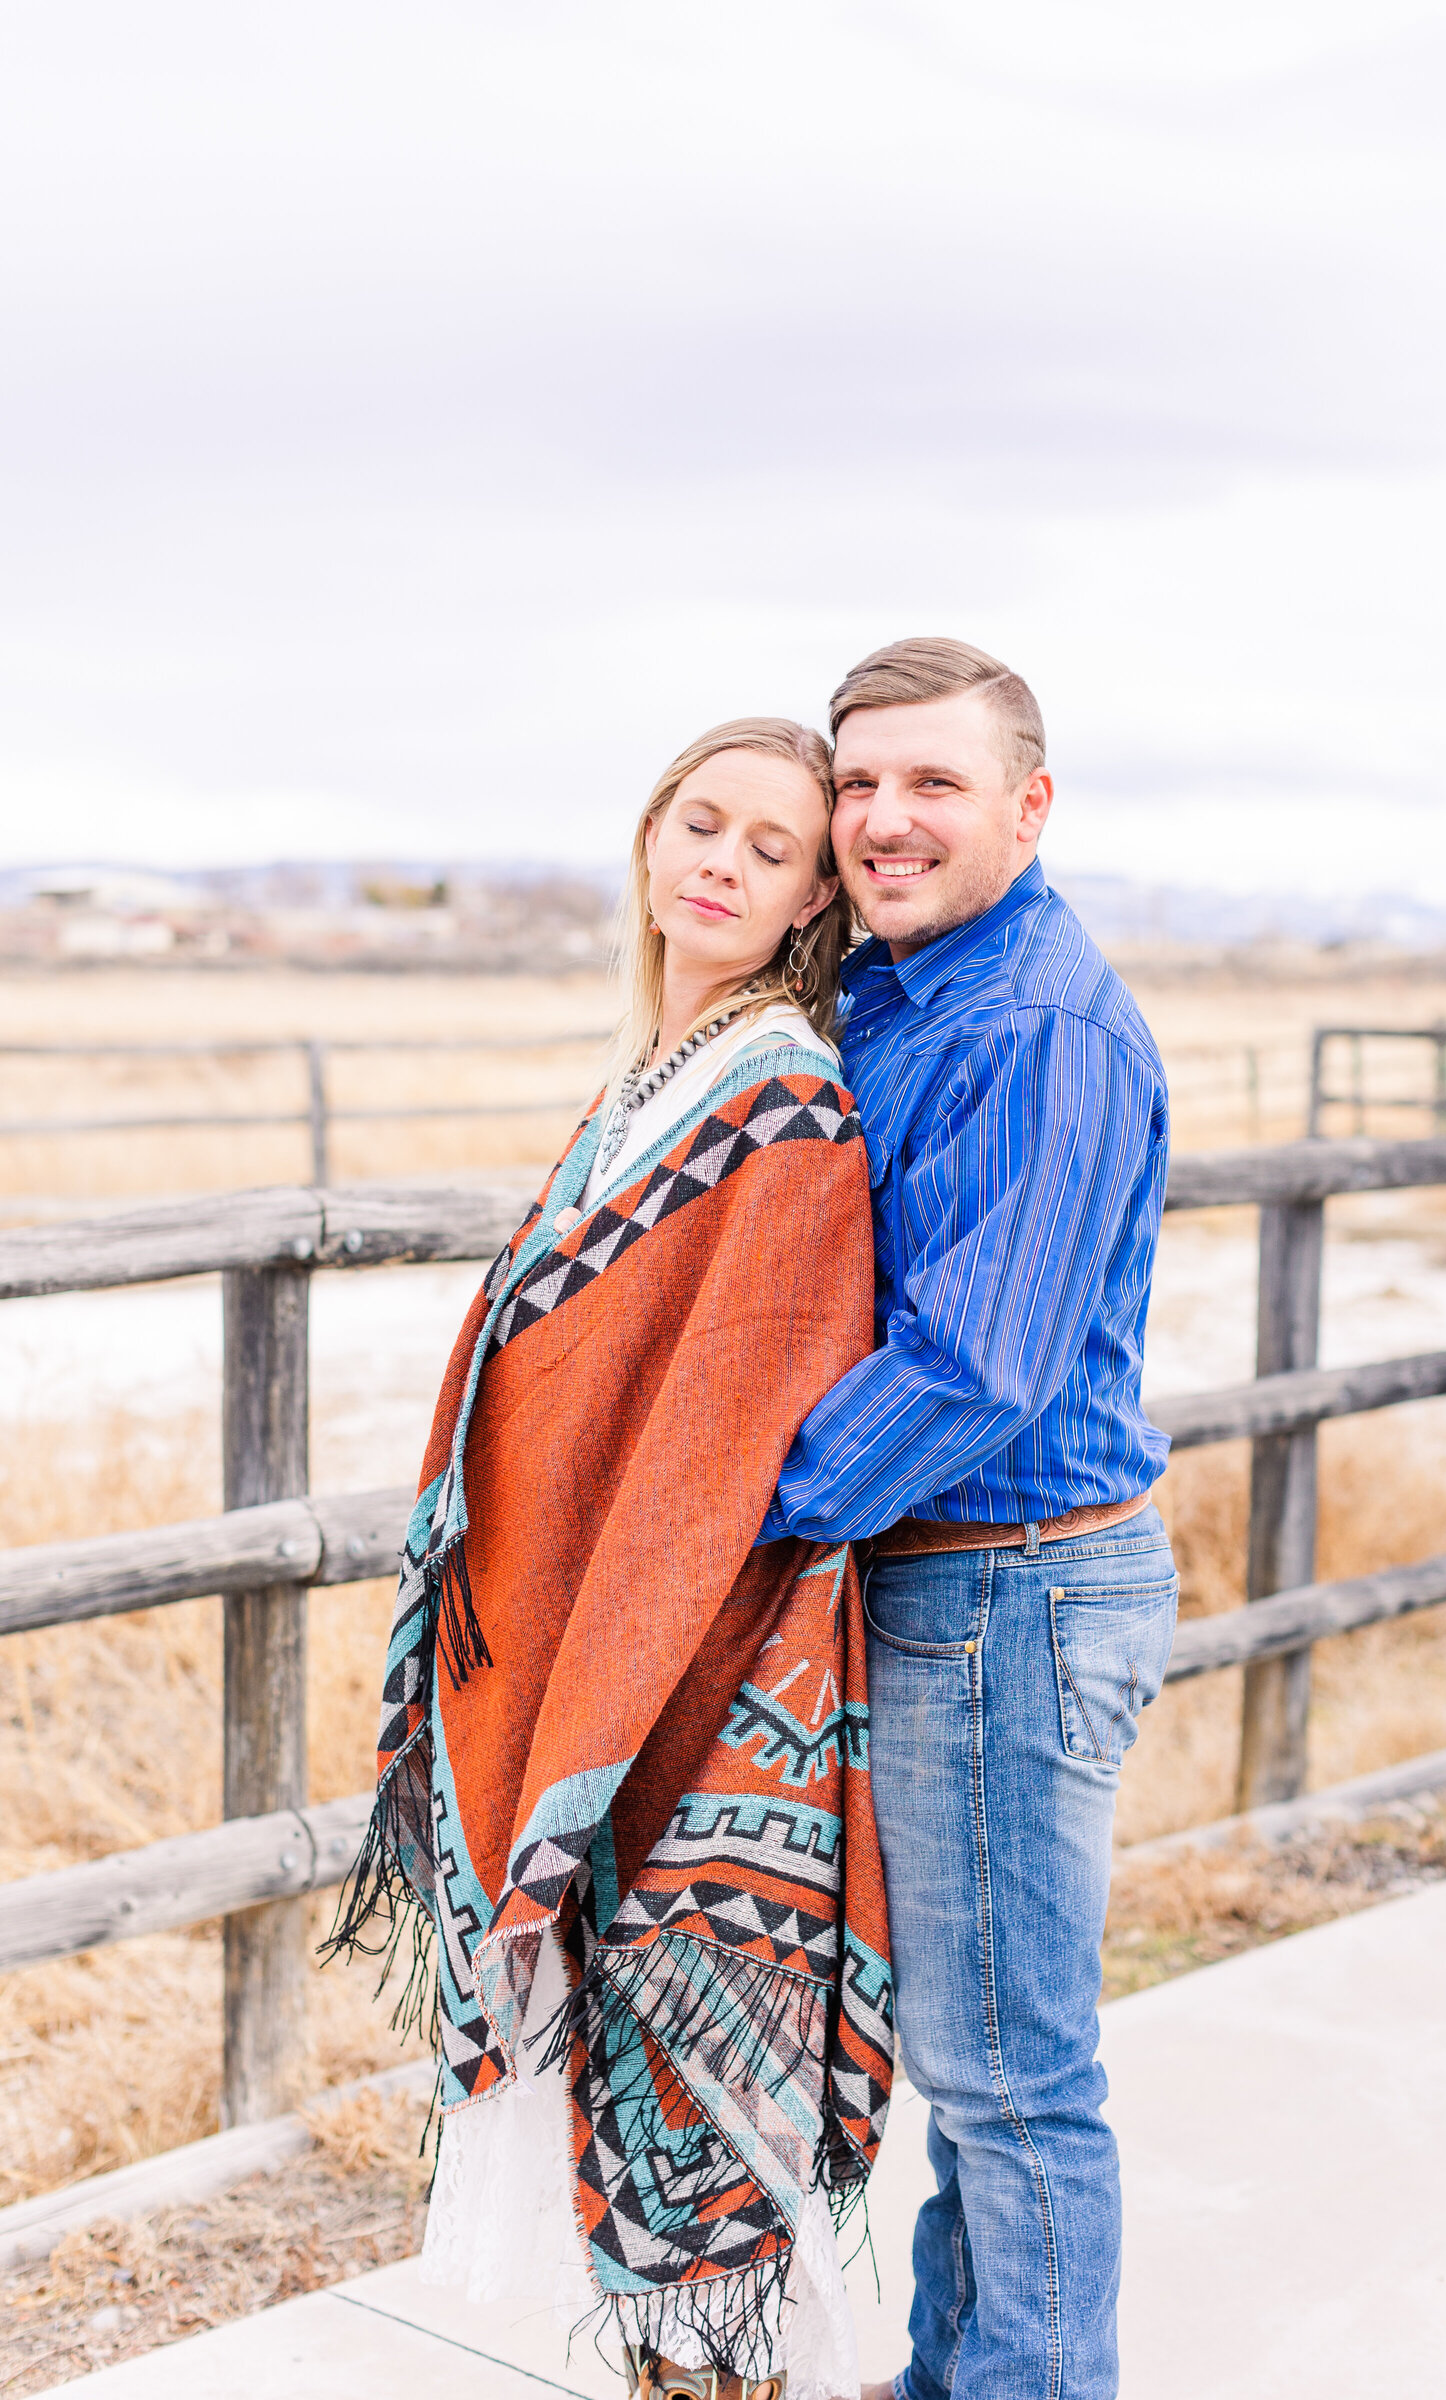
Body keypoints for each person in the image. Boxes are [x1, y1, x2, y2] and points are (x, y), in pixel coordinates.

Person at [327, 719, 896, 2400]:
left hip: (696, 1669)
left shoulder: (783, 1101)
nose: (722, 858)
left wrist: (630, 1663)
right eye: (700, 822)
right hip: (578, 1634)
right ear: (650, 842)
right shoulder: (647, 1079)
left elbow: (733, 1420)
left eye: (770, 846)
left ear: (807, 902)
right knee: (614, 2091)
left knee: (696, 2118)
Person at [755, 640, 1177, 2400]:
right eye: (858, 784)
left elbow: (973, 1367)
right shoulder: (903, 987)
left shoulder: (1035, 1027)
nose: (882, 819)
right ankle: (961, 2375)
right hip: (957, 1588)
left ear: (1029, 803)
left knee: (1012, 2071)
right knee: (972, 2051)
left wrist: (738, 1515)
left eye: (932, 783)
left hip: (1012, 1590)